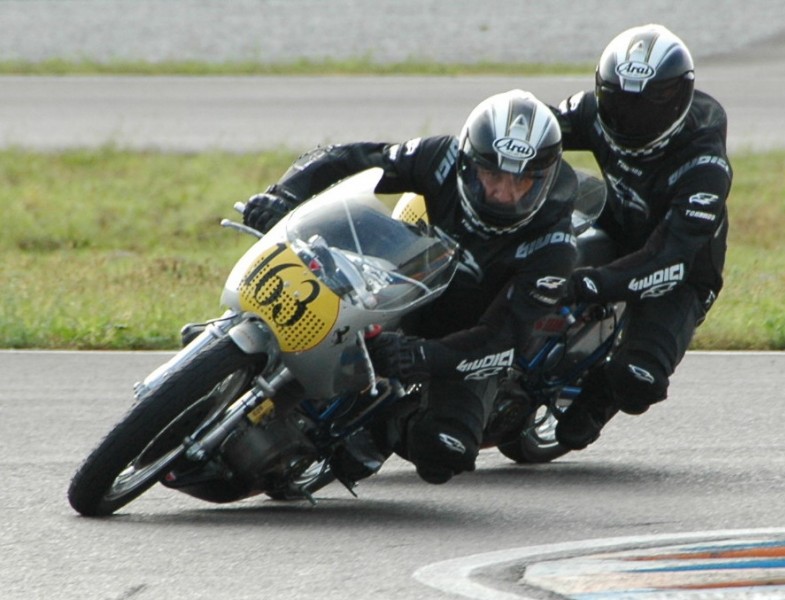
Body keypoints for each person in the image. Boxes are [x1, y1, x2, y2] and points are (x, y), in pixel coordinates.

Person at [242, 89, 579, 484]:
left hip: (465, 335)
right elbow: (350, 160)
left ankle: (379, 426)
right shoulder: (442, 157)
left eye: (522, 182)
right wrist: (283, 197)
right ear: (470, 163)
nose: (504, 194)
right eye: (492, 176)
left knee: (445, 450)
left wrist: (424, 356)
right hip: (404, 281)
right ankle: (238, 339)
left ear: (546, 178)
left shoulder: (554, 248)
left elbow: (505, 339)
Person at [550, 24, 732, 450]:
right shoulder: (592, 111)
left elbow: (666, 258)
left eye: (644, 107)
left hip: (681, 267)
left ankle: (602, 394)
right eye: (617, 104)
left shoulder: (705, 162)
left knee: (639, 380)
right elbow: (537, 133)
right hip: (615, 224)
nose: (628, 119)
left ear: (676, 102)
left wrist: (587, 284)